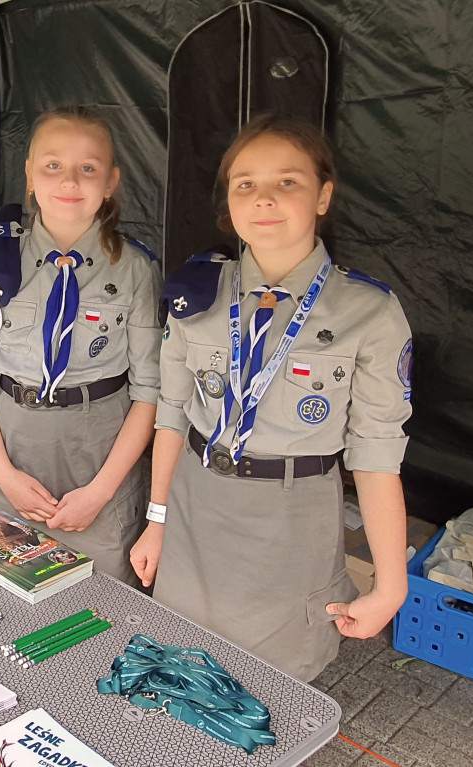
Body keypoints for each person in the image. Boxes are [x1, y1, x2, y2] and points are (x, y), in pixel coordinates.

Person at [130, 115, 413, 681]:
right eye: (245, 184)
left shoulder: (370, 312)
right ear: (229, 202)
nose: (263, 198)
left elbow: (377, 455)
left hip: (292, 517)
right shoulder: (196, 296)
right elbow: (172, 416)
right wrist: (156, 520)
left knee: (273, 680)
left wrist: (391, 584)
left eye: (287, 182)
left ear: (323, 196)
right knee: (178, 666)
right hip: (196, 505)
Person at [0, 107, 162, 586]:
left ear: (111, 181)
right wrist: (2, 473)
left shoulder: (135, 268)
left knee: (100, 597)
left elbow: (151, 391)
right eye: (53, 166)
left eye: (88, 168)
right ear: (29, 175)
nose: (70, 180)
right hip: (13, 446)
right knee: (3, 585)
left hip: (100, 453)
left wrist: (101, 492)